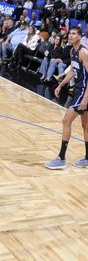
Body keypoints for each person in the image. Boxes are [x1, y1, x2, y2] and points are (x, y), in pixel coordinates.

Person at [45, 25, 88, 169]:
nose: (70, 36)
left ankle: (61, 158)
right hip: (78, 90)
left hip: (83, 91)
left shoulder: (84, 53)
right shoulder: (72, 51)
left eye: (74, 34)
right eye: (70, 33)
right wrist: (60, 85)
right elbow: (72, 72)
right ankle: (87, 158)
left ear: (80, 37)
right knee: (85, 125)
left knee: (66, 120)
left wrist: (85, 98)